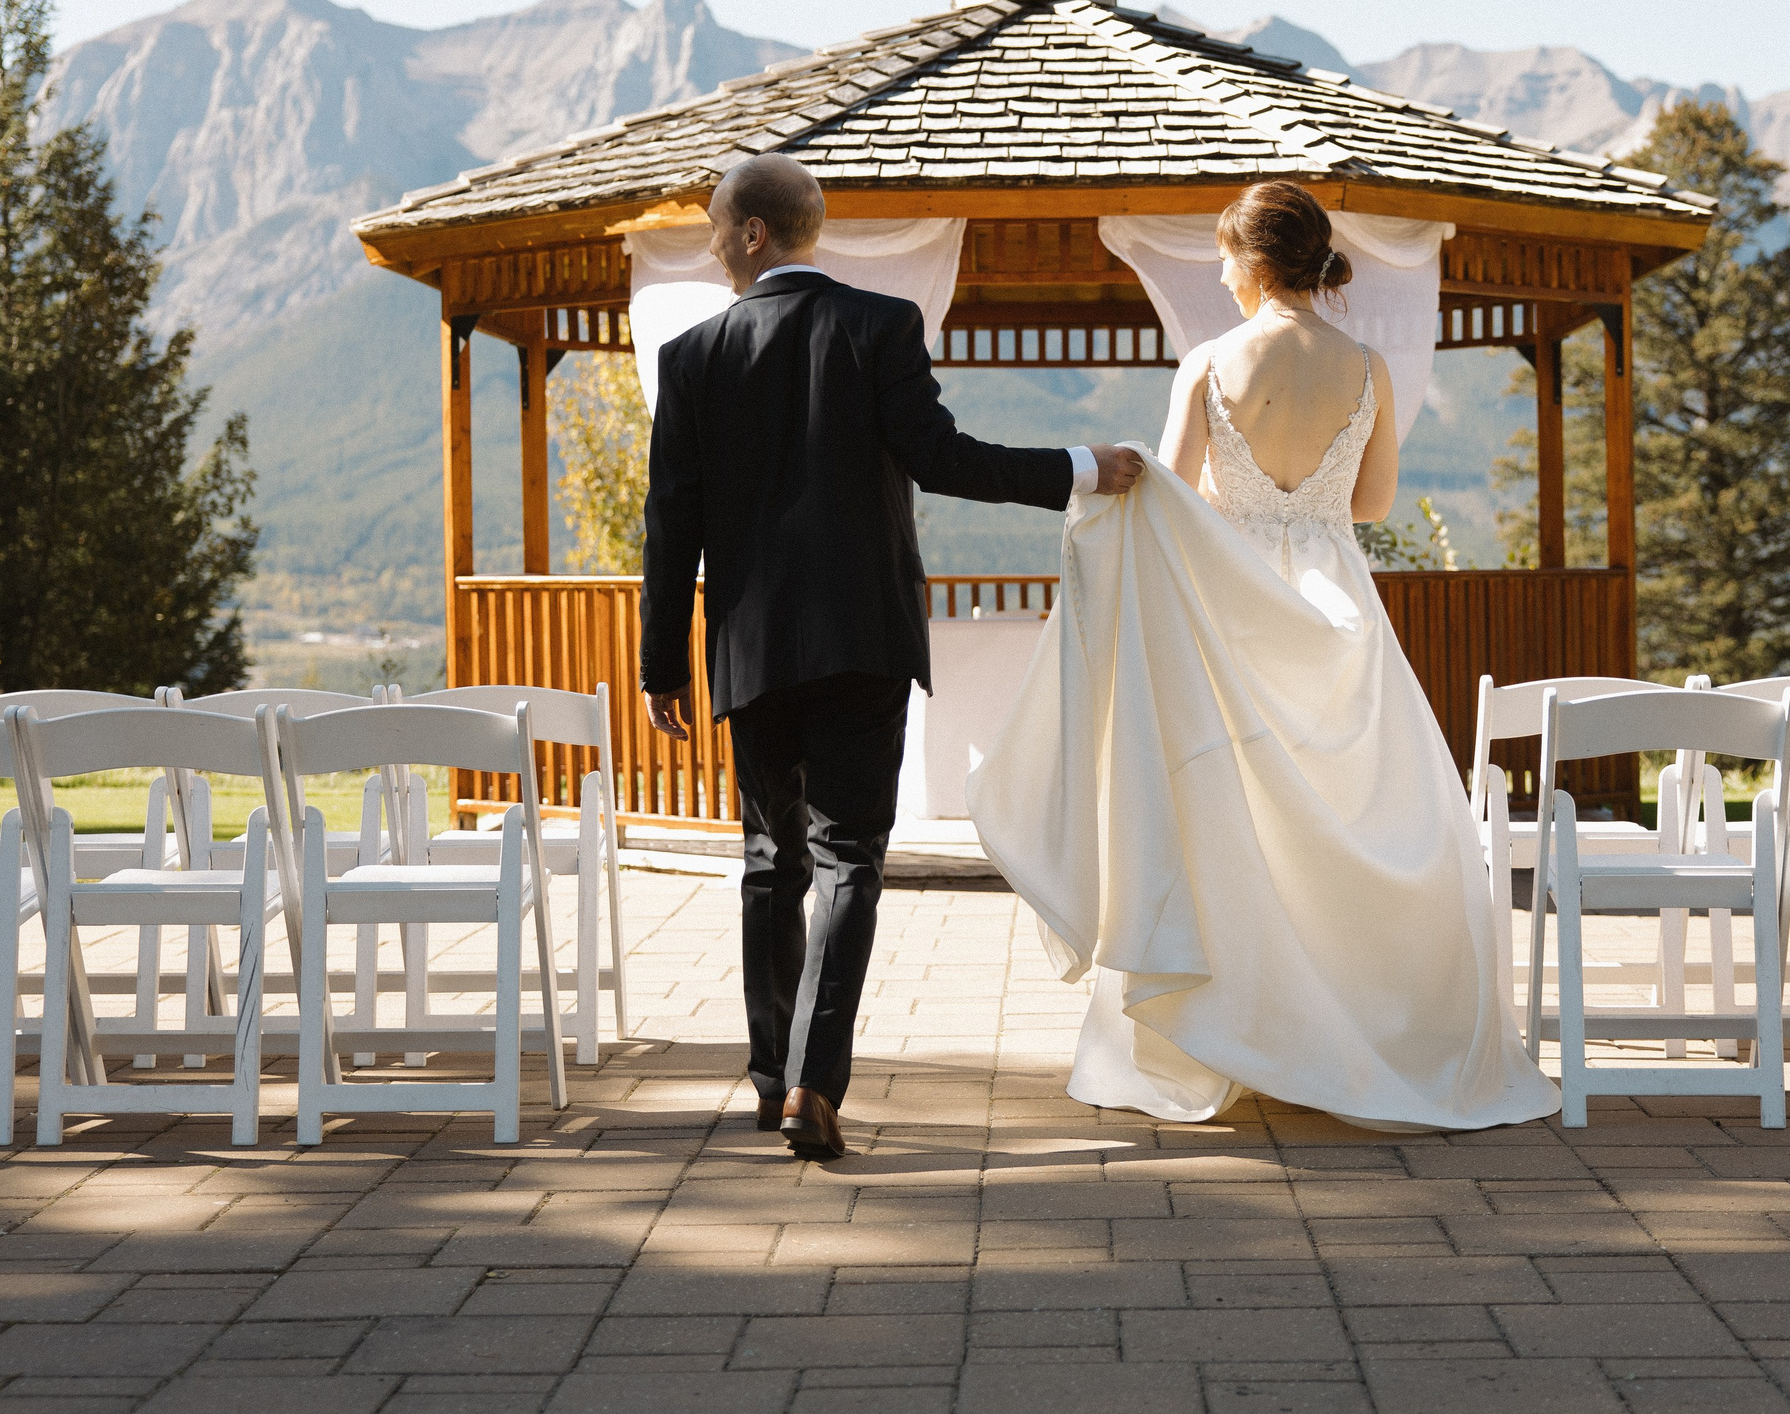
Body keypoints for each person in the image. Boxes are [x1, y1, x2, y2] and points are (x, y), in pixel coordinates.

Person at [970, 181, 1559, 1131]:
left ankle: (1236, 1032)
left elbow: (1168, 496)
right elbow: (1371, 504)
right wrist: (1305, 504)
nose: (1219, 274)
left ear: (1250, 260)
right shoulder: (1370, 368)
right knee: (1349, 811)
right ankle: (1355, 1029)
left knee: (1231, 818)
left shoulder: (1210, 362)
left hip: (1230, 603)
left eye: (1222, 258)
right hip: (1335, 603)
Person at [639, 154, 1141, 1160]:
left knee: (768, 861)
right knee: (849, 859)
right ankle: (813, 1085)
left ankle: (771, 1077)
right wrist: (1083, 467)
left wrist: (663, 665)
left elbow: (670, 523)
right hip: (866, 637)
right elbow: (944, 459)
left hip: (752, 645)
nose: (710, 243)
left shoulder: (692, 356)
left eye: (714, 226)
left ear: (752, 233)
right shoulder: (881, 327)